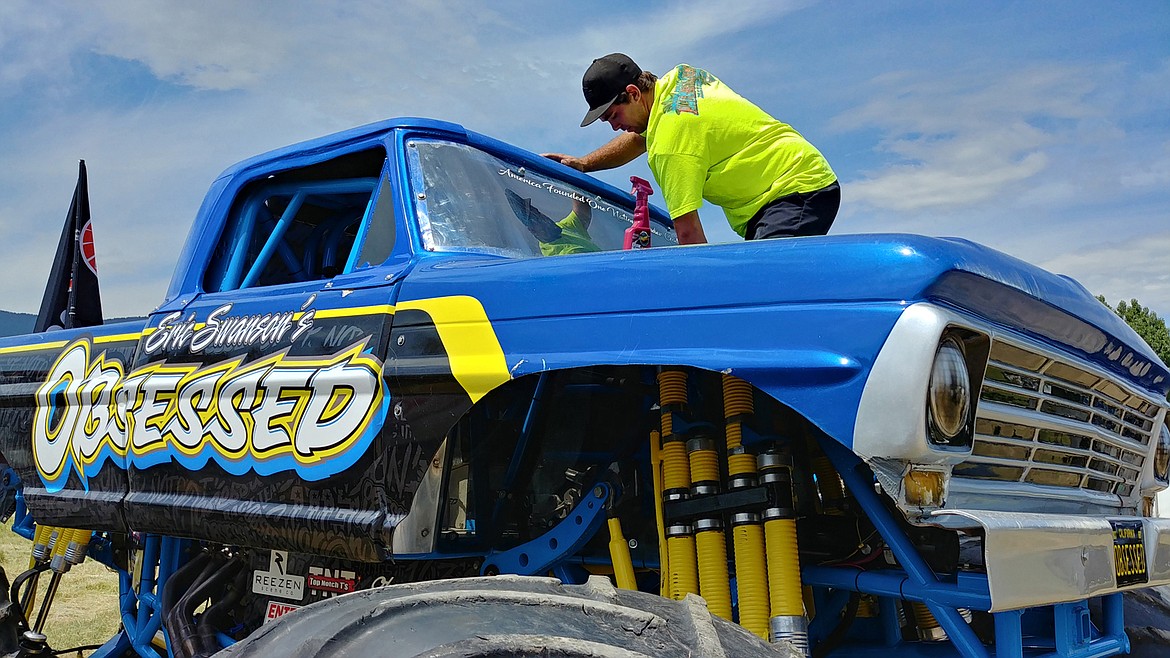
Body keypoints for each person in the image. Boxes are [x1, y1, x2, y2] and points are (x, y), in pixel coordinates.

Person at [544, 53, 839, 245]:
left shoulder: (671, 144)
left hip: (792, 191)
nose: (613, 127)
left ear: (632, 94)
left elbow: (688, 234)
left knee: (760, 287)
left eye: (613, 116)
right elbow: (642, 136)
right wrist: (584, 164)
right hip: (796, 180)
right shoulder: (677, 83)